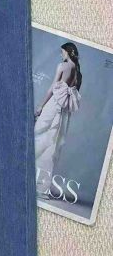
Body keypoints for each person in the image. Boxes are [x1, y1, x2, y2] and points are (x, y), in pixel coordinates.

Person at [34, 42, 82, 198]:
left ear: (68, 52)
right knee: (53, 147)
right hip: (64, 112)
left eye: (62, 52)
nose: (61, 54)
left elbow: (52, 88)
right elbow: (72, 95)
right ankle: (41, 187)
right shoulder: (78, 72)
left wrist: (41, 105)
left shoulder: (62, 66)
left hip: (54, 105)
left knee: (39, 136)